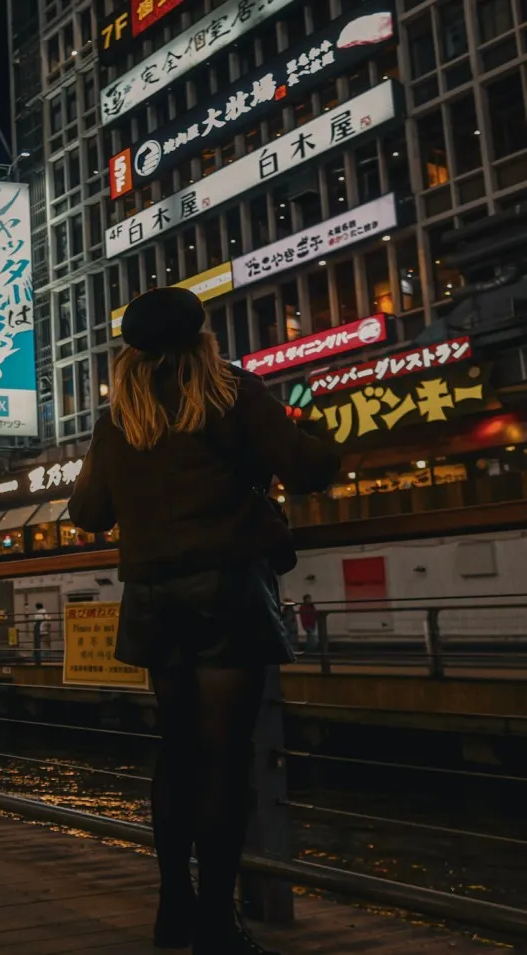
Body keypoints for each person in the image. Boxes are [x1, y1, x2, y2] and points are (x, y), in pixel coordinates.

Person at [67, 287, 339, 955]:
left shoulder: (119, 416)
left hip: (155, 596)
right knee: (225, 758)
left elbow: (88, 512)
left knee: (176, 752)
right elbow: (307, 470)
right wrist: (319, 427)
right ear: (202, 339)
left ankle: (171, 910)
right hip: (225, 588)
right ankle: (217, 922)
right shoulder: (231, 393)